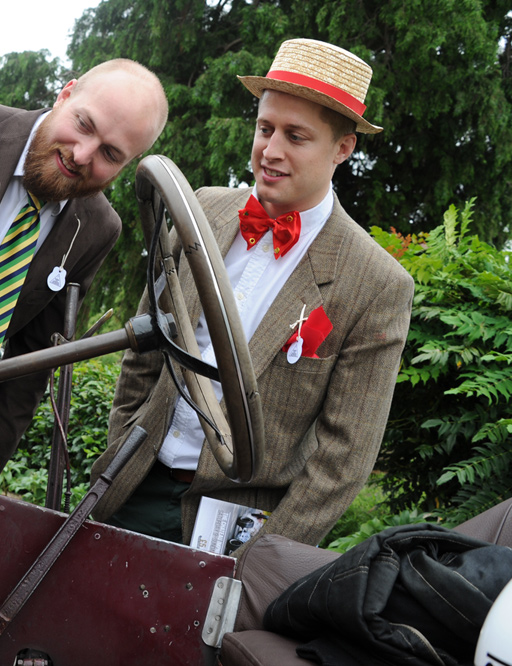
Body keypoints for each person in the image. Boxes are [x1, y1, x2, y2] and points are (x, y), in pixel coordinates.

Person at [89, 39, 414, 551]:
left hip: (235, 529)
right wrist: (121, 447)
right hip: (128, 487)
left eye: (296, 136)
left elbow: (342, 462)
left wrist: (256, 562)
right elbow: (144, 351)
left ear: (343, 148)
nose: (271, 150)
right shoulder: (202, 209)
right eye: (265, 128)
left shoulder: (376, 284)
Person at [0, 59, 169, 488]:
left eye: (110, 154)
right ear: (65, 94)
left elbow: (32, 361)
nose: (82, 155)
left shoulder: (99, 229)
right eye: (83, 125)